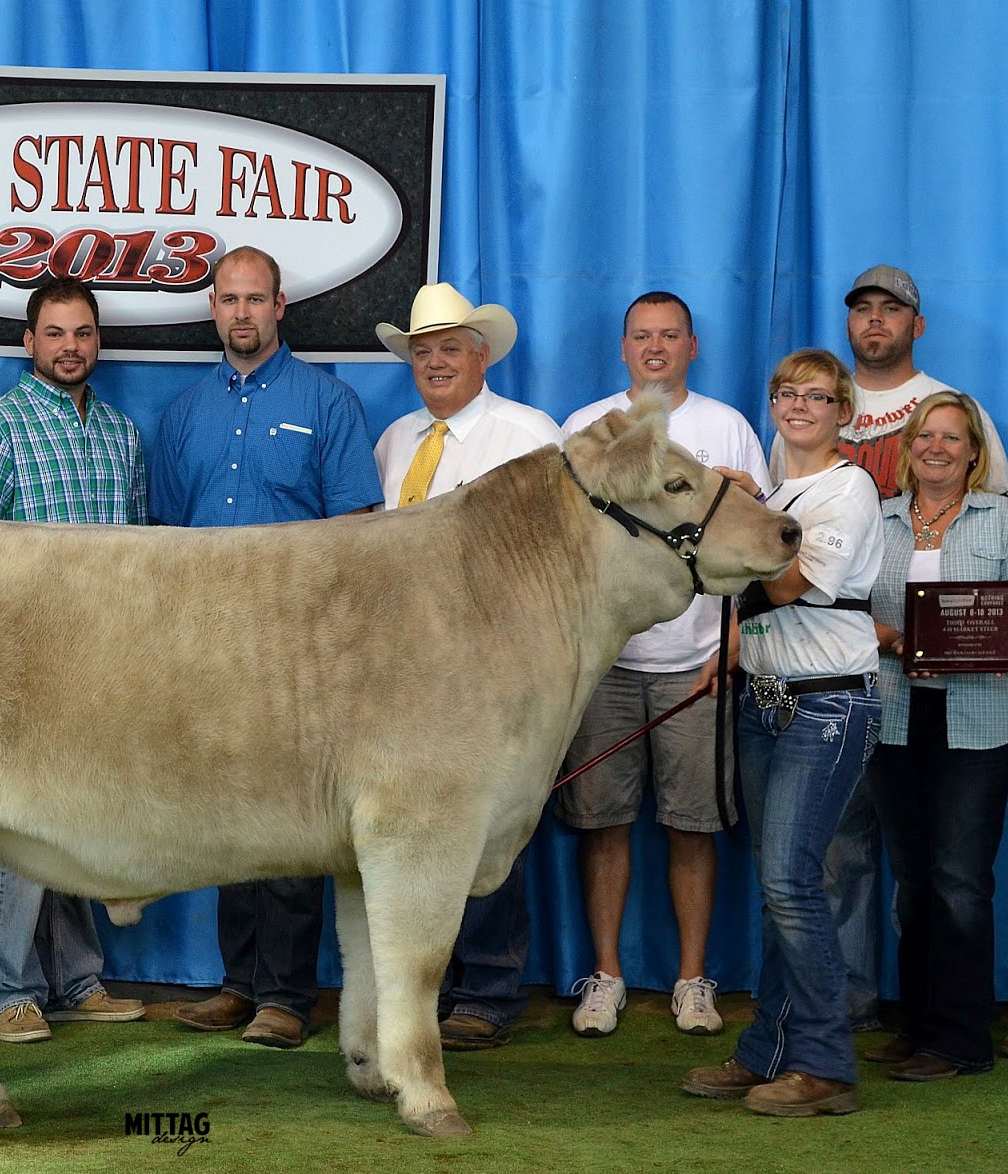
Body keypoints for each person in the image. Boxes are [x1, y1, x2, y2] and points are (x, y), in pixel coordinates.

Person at [151, 245, 382, 1048]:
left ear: (280, 306)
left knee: (290, 820)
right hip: (210, 651)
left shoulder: (328, 402)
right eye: (229, 299)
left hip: (298, 653)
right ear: (212, 309)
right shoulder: (184, 414)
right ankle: (238, 983)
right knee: (227, 817)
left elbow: (355, 535)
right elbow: (168, 542)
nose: (242, 312)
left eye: (256, 299)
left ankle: (286, 994)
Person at [777, 266, 1008, 1031]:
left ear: (918, 324)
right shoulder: (812, 426)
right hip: (854, 685)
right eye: (863, 309)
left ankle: (944, 1022)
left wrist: (999, 647)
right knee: (844, 854)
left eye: (892, 309)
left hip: (964, 702)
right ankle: (850, 1009)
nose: (875, 320)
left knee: (945, 871)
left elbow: (1007, 578)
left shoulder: (957, 416)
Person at [557, 292, 769, 1037]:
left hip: (697, 665)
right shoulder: (588, 429)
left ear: (692, 346)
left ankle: (692, 980)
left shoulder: (729, 428)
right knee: (602, 824)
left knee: (691, 827)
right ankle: (605, 977)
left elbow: (753, 541)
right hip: (608, 663)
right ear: (623, 348)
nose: (655, 347)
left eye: (670, 335)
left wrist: (732, 645)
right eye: (642, 336)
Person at [683, 348, 883, 1116]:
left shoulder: (848, 487)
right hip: (766, 702)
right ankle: (768, 1050)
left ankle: (827, 1065)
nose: (799, 406)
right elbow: (762, 607)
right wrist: (728, 653)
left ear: (843, 413)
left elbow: (793, 581)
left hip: (828, 706)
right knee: (780, 888)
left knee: (796, 884)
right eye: (787, 393)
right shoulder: (776, 492)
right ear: (773, 405)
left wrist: (734, 518)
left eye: (818, 396)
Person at [0, 277, 147, 1043]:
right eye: (56, 333)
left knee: (78, 825)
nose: (71, 347)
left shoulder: (122, 435)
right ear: (29, 342)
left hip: (102, 667)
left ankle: (78, 980)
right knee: (17, 829)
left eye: (83, 333)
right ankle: (8, 993)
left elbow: (139, 557)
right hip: (24, 666)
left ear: (98, 341)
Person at [371, 282, 561, 1050]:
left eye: (450, 348)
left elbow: (554, 558)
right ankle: (431, 985)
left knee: (484, 826)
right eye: (423, 353)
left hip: (492, 668)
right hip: (406, 668)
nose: (436, 363)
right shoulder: (396, 440)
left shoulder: (528, 434)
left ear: (482, 357)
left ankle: (486, 988)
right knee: (418, 827)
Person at [862, 393, 1008, 1080]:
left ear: (973, 454)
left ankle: (962, 1040)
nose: (937, 448)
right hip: (896, 713)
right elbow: (850, 608)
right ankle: (918, 1025)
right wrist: (893, 639)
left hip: (982, 718)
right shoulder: (878, 519)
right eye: (925, 436)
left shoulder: (1004, 519)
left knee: (961, 881)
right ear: (907, 448)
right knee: (911, 879)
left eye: (952, 438)